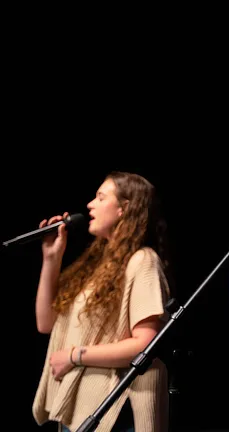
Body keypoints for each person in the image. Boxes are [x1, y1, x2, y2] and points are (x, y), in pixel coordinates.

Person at [32, 171, 172, 432]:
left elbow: (145, 344)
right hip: (77, 410)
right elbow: (45, 323)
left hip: (113, 410)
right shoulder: (96, 268)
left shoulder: (142, 260)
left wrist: (74, 356)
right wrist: (51, 258)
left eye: (100, 197)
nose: (90, 205)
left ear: (124, 209)